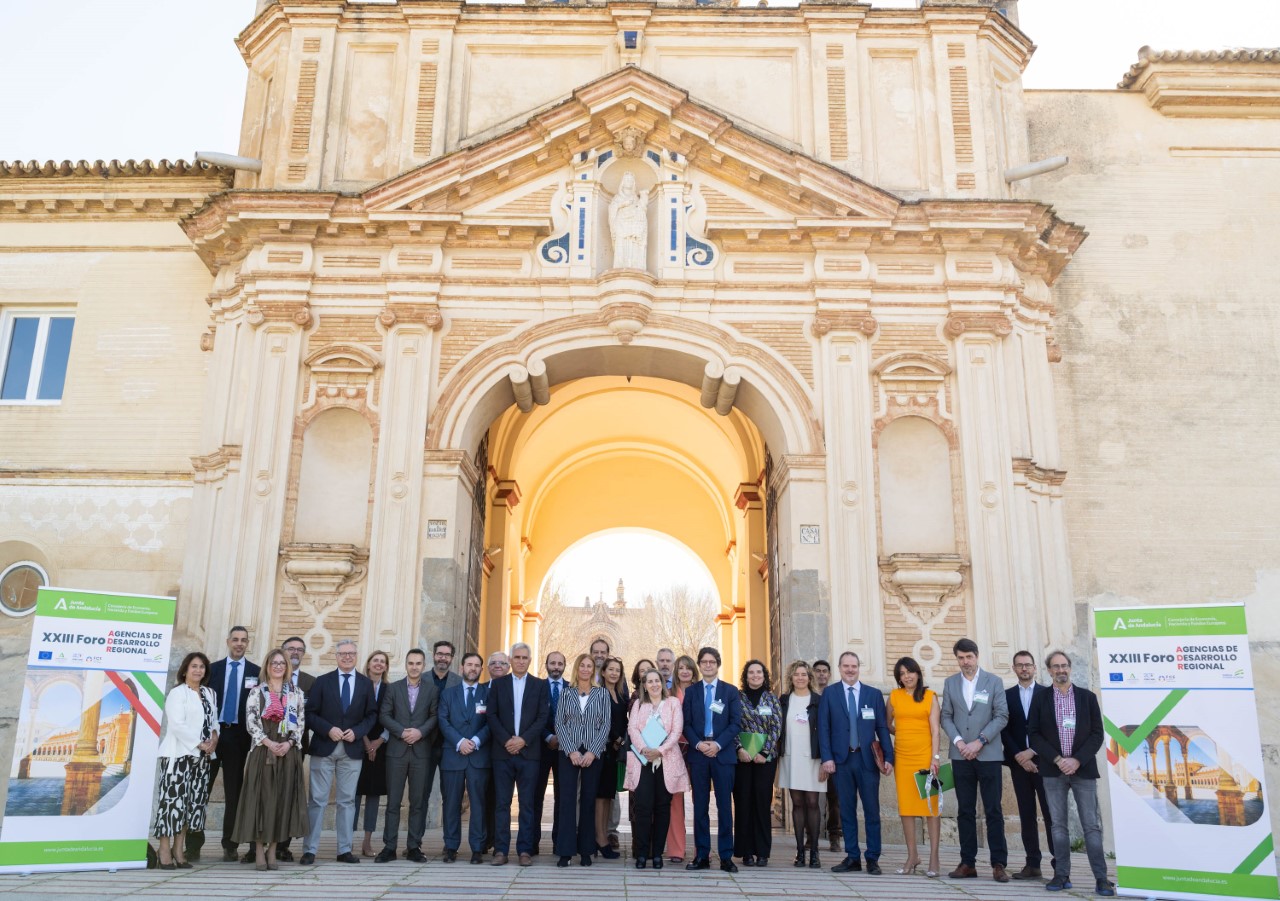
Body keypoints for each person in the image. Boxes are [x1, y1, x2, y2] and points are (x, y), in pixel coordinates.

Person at [1029, 652, 1114, 897]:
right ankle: (1062, 874)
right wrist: (1057, 759)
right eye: (1055, 666)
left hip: (1083, 769)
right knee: (1057, 825)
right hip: (1052, 770)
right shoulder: (1041, 699)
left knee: (1091, 826)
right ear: (1048, 670)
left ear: (1070, 668)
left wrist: (1076, 760)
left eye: (1064, 665)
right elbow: (1034, 734)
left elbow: (1097, 734)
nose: (1060, 670)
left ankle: (1102, 878)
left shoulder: (1087, 698)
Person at [301, 639, 378, 865]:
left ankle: (345, 850)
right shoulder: (322, 682)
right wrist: (328, 729)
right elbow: (310, 713)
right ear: (336, 656)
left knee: (347, 801)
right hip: (324, 747)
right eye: (343, 654)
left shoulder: (366, 684)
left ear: (357, 656)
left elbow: (371, 715)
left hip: (352, 750)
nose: (347, 657)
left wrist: (357, 731)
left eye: (351, 654)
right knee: (317, 800)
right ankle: (310, 850)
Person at [939, 637, 1010, 882]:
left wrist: (980, 741)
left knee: (993, 810)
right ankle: (967, 863)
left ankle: (998, 864)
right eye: (961, 657)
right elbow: (946, 717)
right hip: (960, 755)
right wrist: (959, 742)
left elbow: (1001, 716)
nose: (965, 662)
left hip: (988, 754)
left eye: (969, 657)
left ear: (977, 656)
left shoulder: (994, 681)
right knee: (965, 810)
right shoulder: (950, 683)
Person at [818, 650, 894, 875]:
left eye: (854, 666)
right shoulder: (830, 694)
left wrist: (889, 757)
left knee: (872, 810)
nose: (850, 670)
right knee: (847, 811)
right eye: (846, 666)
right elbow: (823, 728)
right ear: (839, 668)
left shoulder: (873, 694)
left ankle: (872, 858)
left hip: (867, 760)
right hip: (841, 761)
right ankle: (852, 857)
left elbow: (881, 727)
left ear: (858, 668)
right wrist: (827, 758)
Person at [232, 647, 308, 869]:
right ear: (267, 666)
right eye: (274, 663)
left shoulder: (296, 693)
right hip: (264, 751)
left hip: (287, 752)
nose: (278, 666)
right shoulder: (258, 692)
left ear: (288, 667)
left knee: (281, 802)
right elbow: (251, 723)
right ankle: (258, 850)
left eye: (282, 663)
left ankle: (273, 850)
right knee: (261, 801)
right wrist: (269, 743)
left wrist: (289, 743)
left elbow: (300, 723)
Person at [197, 625, 260, 863]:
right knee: (201, 790)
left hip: (238, 737)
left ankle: (230, 844)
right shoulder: (212, 669)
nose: (239, 643)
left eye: (244, 640)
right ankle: (194, 844)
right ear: (227, 641)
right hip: (212, 735)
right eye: (235, 639)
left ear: (247, 643)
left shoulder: (256, 672)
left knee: (234, 792)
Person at [486, 641, 550, 866]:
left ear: (529, 661)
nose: (521, 661)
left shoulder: (540, 685)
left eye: (524, 658)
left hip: (529, 753)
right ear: (511, 660)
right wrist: (507, 740)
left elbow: (542, 717)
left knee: (527, 803)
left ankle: (525, 850)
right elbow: (491, 716)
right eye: (517, 657)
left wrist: (523, 740)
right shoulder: (498, 684)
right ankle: (501, 851)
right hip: (502, 753)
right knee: (502, 803)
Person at [153, 651, 219, 869]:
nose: (198, 670)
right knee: (172, 803)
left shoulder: (210, 693)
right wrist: (199, 743)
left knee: (191, 805)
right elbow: (176, 724)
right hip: (178, 756)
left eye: (201, 666)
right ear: (185, 670)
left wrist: (214, 740)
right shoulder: (177, 693)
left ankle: (178, 849)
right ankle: (164, 848)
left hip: (202, 760)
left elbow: (214, 722)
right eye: (194, 666)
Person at [682, 645, 742, 873]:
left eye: (712, 662)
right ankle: (702, 856)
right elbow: (686, 723)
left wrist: (717, 744)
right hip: (698, 754)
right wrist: (698, 744)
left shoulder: (730, 691)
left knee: (725, 807)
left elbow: (735, 723)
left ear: (718, 665)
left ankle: (726, 856)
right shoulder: (691, 692)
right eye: (704, 662)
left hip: (722, 754)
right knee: (700, 808)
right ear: (700, 665)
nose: (708, 665)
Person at [376, 647, 438, 863]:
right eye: (411, 663)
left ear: (424, 666)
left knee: (418, 802)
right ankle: (389, 847)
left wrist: (420, 732)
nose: (414, 667)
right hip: (396, 752)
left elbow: (434, 716)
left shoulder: (432, 690)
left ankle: (414, 847)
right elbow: (384, 715)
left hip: (421, 753)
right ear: (405, 665)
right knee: (393, 802)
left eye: (418, 663)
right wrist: (401, 731)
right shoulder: (393, 689)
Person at [625, 668, 688, 868]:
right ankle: (643, 854)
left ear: (662, 683)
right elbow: (632, 728)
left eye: (657, 681)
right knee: (643, 808)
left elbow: (676, 730)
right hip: (643, 761)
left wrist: (660, 750)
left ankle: (658, 854)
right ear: (644, 685)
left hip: (666, 761)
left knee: (662, 808)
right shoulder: (638, 705)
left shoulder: (672, 704)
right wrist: (644, 749)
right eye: (649, 681)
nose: (654, 684)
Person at [887, 656, 942, 877]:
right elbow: (886, 723)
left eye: (909, 672)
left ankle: (934, 858)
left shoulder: (930, 696)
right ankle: (913, 856)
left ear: (918, 673)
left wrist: (935, 758)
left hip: (927, 758)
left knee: (932, 807)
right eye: (901, 673)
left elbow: (936, 730)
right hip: (903, 758)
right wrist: (901, 734)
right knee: (906, 809)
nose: (906, 676)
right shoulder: (894, 696)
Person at [554, 653, 610, 867]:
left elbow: (605, 725)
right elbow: (560, 723)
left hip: (593, 754)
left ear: (593, 670)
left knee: (588, 801)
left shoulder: (602, 694)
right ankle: (565, 851)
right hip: (568, 753)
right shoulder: (566, 693)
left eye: (589, 666)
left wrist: (592, 752)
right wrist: (571, 751)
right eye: (582, 666)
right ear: (577, 669)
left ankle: (586, 850)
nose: (586, 669)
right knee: (567, 801)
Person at [1003, 650, 1055, 880]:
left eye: (1028, 665)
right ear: (1014, 669)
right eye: (1020, 665)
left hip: (1045, 762)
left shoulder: (1048, 694)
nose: (1024, 668)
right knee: (1026, 814)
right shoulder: (1006, 696)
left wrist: (1032, 753)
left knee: (1052, 815)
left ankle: (1059, 865)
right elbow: (1003, 729)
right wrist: (1019, 756)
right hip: (1018, 765)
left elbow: (1051, 728)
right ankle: (1032, 864)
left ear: (1035, 668)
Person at [439, 652, 490, 864]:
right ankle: (451, 847)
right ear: (461, 668)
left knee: (478, 803)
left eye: (477, 665)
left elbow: (491, 723)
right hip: (453, 755)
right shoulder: (448, 694)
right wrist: (460, 742)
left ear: (481, 669)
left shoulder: (488, 694)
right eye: (469, 664)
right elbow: (443, 720)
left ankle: (477, 848)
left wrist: (476, 741)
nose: (473, 668)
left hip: (479, 756)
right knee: (451, 803)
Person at [777, 659, 824, 869]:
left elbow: (825, 731)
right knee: (797, 804)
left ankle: (814, 852)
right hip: (791, 756)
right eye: (796, 674)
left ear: (810, 677)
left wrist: (826, 760)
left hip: (813, 758)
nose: (800, 678)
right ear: (791, 678)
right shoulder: (784, 700)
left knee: (813, 803)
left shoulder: (818, 701)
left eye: (804, 674)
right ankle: (799, 852)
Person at [734, 659, 781, 867]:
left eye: (759, 672)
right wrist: (739, 749)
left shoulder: (771, 699)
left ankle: (762, 851)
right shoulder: (737, 697)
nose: (755, 676)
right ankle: (746, 852)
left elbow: (776, 727)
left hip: (765, 759)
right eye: (751, 672)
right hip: (742, 758)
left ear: (764, 676)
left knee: (762, 803)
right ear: (745, 676)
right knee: (743, 802)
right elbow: (731, 723)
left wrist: (764, 751)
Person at [276, 636, 314, 861]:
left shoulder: (311, 682)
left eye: (300, 650)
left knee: (288, 795)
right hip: (267, 746)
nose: (295, 653)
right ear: (282, 652)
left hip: (295, 747)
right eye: (291, 649)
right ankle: (257, 846)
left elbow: (312, 715)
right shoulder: (267, 678)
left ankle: (282, 845)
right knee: (266, 794)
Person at [355, 649, 391, 857]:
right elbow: (353, 715)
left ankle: (367, 842)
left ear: (386, 667)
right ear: (368, 664)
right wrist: (366, 741)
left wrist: (378, 741)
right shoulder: (358, 685)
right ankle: (347, 841)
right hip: (357, 743)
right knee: (354, 795)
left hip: (381, 747)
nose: (378, 664)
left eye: (382, 662)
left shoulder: (390, 689)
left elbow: (395, 715)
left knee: (374, 795)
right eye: (375, 660)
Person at [423, 640, 461, 826]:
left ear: (452, 658)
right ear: (433, 655)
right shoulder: (421, 679)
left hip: (450, 747)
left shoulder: (459, 682)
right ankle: (416, 843)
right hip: (424, 746)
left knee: (450, 798)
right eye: (440, 654)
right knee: (421, 795)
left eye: (447, 655)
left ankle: (449, 844)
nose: (443, 658)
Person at [534, 650, 567, 857]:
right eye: (552, 663)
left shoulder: (571, 689)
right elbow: (533, 717)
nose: (556, 666)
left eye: (559, 663)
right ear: (546, 664)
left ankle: (559, 842)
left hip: (565, 750)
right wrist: (548, 737)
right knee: (535, 797)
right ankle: (532, 842)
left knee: (562, 798)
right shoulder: (537, 688)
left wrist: (561, 738)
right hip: (540, 748)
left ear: (564, 666)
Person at [595, 657, 627, 859]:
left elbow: (623, 720)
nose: (614, 673)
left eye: (617, 670)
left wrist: (621, 740)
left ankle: (604, 836)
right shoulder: (598, 693)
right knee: (600, 796)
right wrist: (616, 738)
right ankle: (599, 839)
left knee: (609, 795)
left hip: (616, 751)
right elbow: (601, 719)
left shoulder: (621, 694)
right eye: (611, 669)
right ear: (603, 672)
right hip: (603, 749)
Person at [666, 653, 696, 863]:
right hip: (674, 749)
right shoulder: (668, 693)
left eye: (688, 667)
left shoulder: (703, 692)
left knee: (700, 800)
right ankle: (676, 849)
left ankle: (700, 850)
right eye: (681, 668)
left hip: (697, 749)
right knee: (675, 799)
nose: (685, 671)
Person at [481, 651, 510, 854]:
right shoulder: (480, 690)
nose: (498, 665)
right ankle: (484, 838)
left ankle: (499, 841)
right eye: (493, 663)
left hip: (507, 752)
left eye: (502, 662)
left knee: (502, 800)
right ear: (488, 667)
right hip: (481, 753)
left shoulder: (514, 689)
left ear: (508, 667)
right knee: (484, 798)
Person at [812, 658, 842, 853]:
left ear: (830, 674)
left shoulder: (836, 695)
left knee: (835, 797)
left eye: (825, 671)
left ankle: (835, 836)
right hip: (812, 753)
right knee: (810, 797)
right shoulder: (807, 696)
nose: (822, 674)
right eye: (818, 671)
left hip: (834, 753)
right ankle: (811, 836)